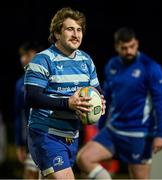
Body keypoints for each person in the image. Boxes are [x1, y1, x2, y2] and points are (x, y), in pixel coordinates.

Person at [77, 27, 162, 179]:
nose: (129, 51)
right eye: (124, 48)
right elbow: (105, 97)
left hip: (139, 134)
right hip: (113, 130)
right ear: (117, 47)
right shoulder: (112, 65)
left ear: (137, 43)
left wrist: (160, 134)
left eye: (132, 46)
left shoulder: (151, 67)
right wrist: (99, 125)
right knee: (84, 158)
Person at [24, 7, 105, 179]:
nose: (76, 34)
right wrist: (67, 103)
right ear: (56, 33)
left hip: (72, 136)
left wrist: (99, 102)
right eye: (70, 29)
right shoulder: (42, 59)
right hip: (46, 134)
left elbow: (95, 91)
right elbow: (32, 97)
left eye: (79, 30)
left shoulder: (86, 60)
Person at [15, 41, 43, 178]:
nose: (23, 59)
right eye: (22, 55)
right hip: (33, 140)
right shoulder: (20, 84)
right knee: (30, 175)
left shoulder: (52, 78)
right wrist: (19, 143)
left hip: (52, 139)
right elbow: (19, 115)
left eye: (27, 54)